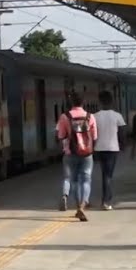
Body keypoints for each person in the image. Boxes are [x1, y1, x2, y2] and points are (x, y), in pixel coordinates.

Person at [55, 92, 97, 222]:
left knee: (72, 180)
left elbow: (61, 136)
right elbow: (94, 137)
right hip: (87, 153)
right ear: (83, 102)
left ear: (71, 102)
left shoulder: (64, 117)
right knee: (86, 179)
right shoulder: (90, 116)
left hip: (70, 153)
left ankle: (75, 202)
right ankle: (83, 207)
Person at [91, 90, 126, 210]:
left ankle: (106, 199)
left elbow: (92, 134)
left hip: (99, 149)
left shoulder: (95, 116)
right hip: (112, 149)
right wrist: (123, 146)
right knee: (108, 175)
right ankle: (106, 201)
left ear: (99, 102)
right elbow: (122, 134)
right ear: (112, 101)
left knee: (105, 174)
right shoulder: (117, 116)